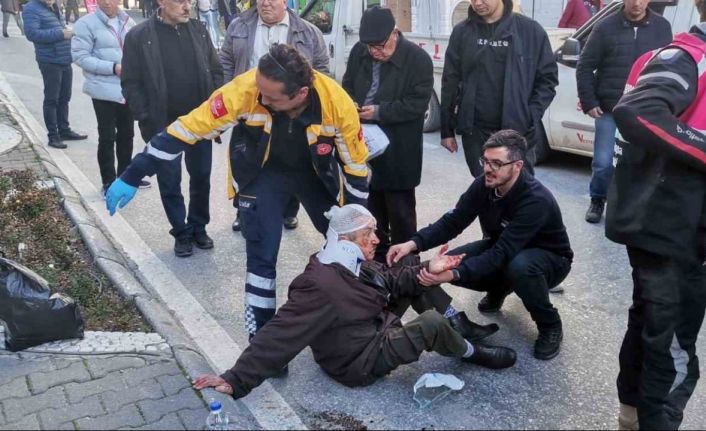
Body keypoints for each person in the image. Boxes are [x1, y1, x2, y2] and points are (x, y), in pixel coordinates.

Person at [107, 44, 370, 338]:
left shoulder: (338, 104)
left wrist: (356, 220)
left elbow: (355, 168)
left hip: (315, 176)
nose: (261, 98)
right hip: (261, 175)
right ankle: (263, 339)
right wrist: (133, 174)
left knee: (345, 245)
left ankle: (348, 318)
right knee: (261, 255)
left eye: (271, 97)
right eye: (259, 89)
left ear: (300, 94)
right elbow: (188, 129)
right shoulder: (245, 89)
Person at [191, 204, 517, 399]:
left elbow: (386, 279)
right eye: (368, 234)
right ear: (346, 240)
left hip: (371, 327)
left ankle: (455, 321)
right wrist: (236, 378)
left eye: (374, 232)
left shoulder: (344, 261)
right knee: (430, 324)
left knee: (409, 265)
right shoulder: (319, 285)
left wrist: (428, 269)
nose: (376, 239)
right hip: (357, 362)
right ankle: (471, 352)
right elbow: (280, 333)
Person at [388, 130, 573, 361]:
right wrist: (413, 243)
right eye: (485, 161)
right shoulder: (484, 185)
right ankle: (498, 289)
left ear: (517, 166)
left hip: (550, 261)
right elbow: (454, 221)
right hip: (504, 249)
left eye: (496, 163)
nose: (487, 169)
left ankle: (550, 325)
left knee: (519, 267)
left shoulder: (536, 200)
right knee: (441, 265)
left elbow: (502, 252)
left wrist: (453, 274)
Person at [606, 0, 706, 427]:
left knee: (648, 321)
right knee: (674, 343)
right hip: (668, 227)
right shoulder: (688, 55)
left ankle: (630, 412)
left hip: (663, 222)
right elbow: (638, 111)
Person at [121, 0, 223, 257]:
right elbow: (130, 82)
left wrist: (214, 111)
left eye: (190, 1)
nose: (187, 6)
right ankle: (181, 232)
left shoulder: (199, 30)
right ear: (161, 2)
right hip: (164, 126)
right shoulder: (139, 36)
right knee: (170, 181)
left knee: (201, 177)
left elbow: (215, 69)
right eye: (180, 1)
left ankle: (198, 226)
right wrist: (145, 116)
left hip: (199, 124)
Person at [220, 0, 329, 232]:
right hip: (251, 112)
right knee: (247, 162)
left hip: (291, 113)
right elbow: (226, 62)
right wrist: (228, 96)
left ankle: (288, 211)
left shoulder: (309, 32)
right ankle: (245, 211)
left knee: (291, 162)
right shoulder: (238, 27)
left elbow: (322, 72)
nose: (265, 3)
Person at [342, 6, 433, 263]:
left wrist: (380, 112)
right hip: (363, 145)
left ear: (395, 33)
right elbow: (347, 85)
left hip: (399, 149)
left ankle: (407, 269)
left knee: (401, 216)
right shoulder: (361, 52)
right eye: (370, 47)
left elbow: (417, 103)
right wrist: (352, 105)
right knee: (371, 215)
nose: (375, 52)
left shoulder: (418, 60)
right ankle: (376, 267)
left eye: (380, 46)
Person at [576, 0, 671, 224]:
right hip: (610, 109)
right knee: (603, 162)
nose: (637, 3)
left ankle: (630, 208)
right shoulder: (605, 27)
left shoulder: (662, 28)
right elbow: (585, 65)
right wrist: (589, 101)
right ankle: (597, 199)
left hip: (644, 111)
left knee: (639, 163)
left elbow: (668, 68)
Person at [439, 0, 557, 178]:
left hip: (517, 132)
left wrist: (530, 115)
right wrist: (446, 130)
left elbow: (547, 80)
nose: (477, 3)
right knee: (485, 189)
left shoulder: (531, 32)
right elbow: (450, 81)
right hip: (476, 132)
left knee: (519, 193)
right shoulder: (462, 32)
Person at [71, 0, 143, 195]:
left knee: (127, 135)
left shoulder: (128, 21)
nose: (107, 2)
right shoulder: (86, 24)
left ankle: (125, 177)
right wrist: (112, 68)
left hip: (126, 89)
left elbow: (140, 50)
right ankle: (109, 181)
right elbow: (80, 57)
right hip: (102, 90)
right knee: (107, 136)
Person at [24, 0, 88, 149]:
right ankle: (53, 136)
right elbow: (32, 34)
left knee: (65, 97)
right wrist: (61, 33)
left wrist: (65, 30)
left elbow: (56, 26)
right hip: (49, 60)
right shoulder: (31, 8)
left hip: (64, 57)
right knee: (52, 99)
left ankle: (64, 130)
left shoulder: (54, 5)